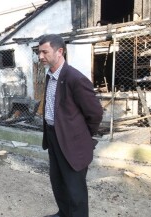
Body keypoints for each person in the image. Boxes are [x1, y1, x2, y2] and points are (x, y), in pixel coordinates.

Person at [38, 34, 103, 217]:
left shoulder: (75, 78)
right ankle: (63, 213)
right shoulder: (50, 75)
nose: (40, 56)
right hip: (53, 137)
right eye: (39, 52)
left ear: (60, 51)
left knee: (75, 189)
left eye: (45, 52)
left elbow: (95, 113)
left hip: (72, 141)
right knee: (58, 181)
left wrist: (81, 135)